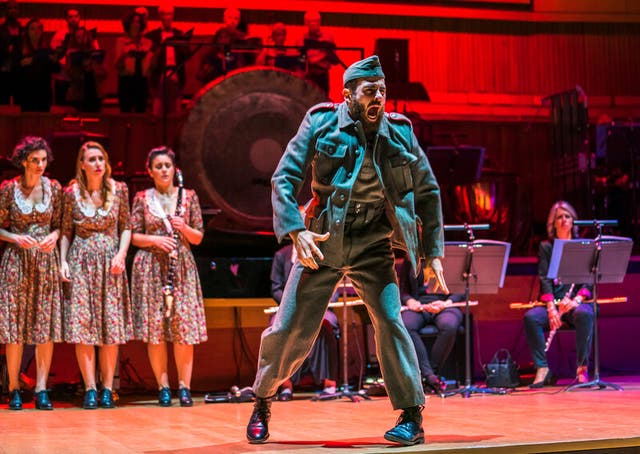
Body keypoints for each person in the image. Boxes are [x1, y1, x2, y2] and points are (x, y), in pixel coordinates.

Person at [246, 55, 448, 446]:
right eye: (370, 91)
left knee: (391, 321)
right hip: (322, 241)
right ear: (348, 95)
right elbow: (283, 178)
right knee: (289, 328)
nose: (378, 99)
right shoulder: (320, 122)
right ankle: (262, 398)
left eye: (383, 92)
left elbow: (428, 191)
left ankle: (411, 415)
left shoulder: (400, 132)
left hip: (373, 243)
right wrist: (295, 231)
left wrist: (433, 252)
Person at [130, 146, 207, 407]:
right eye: (158, 166)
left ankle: (184, 386)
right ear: (149, 171)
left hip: (181, 266)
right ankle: (163, 386)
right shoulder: (142, 198)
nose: (164, 170)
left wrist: (183, 227)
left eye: (168, 166)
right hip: (151, 267)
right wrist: (155, 240)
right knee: (156, 330)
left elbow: (198, 237)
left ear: (175, 169)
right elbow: (133, 235)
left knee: (183, 328)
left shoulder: (189, 196)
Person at [60, 141, 132, 409]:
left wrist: (121, 254)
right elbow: (67, 230)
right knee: (84, 328)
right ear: (82, 164)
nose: (98, 164)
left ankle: (107, 388)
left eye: (101, 158)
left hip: (110, 263)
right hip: (81, 262)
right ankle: (90, 387)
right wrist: (63, 261)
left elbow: (126, 226)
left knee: (109, 328)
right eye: (91, 159)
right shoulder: (71, 193)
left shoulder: (119, 190)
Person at [0, 136, 63, 410]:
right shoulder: (8, 189)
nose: (40, 165)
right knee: (15, 329)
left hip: (45, 264)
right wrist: (15, 238)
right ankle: (13, 386)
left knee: (43, 327)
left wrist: (54, 235)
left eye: (43, 160)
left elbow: (62, 225)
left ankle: (41, 388)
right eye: (34, 160)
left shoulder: (54, 188)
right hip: (16, 263)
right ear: (23, 161)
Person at [524, 200, 593, 388]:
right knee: (531, 318)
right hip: (554, 305)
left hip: (576, 303)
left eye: (567, 216)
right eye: (559, 217)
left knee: (585, 314)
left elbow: (589, 278)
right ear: (552, 223)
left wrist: (577, 299)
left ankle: (582, 368)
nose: (563, 220)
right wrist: (551, 309)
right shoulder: (547, 247)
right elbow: (544, 278)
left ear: (574, 221)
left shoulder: (582, 245)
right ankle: (542, 367)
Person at [269, 242, 338, 400]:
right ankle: (285, 385)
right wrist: (292, 304)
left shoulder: (325, 252)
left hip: (320, 308)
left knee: (327, 323)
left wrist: (319, 303)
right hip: (290, 308)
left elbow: (333, 286)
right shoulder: (282, 255)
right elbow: (276, 288)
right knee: (277, 325)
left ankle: (329, 384)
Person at [397, 253, 463, 395]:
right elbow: (403, 289)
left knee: (449, 325)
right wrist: (410, 301)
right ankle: (432, 378)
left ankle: (429, 375)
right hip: (419, 305)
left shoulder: (451, 256)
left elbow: (460, 288)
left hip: (445, 305)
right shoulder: (410, 258)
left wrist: (446, 303)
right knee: (406, 326)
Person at [49, 8, 99, 106]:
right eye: (70, 17)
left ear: (79, 17)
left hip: (84, 76)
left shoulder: (87, 34)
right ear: (66, 19)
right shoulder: (59, 35)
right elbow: (55, 55)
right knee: (63, 107)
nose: (73, 19)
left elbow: (96, 52)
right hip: (65, 76)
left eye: (76, 16)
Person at [146, 5, 189, 117]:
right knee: (157, 109)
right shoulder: (153, 35)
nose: (167, 17)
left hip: (176, 72)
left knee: (176, 109)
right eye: (164, 14)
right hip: (159, 73)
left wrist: (183, 44)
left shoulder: (179, 34)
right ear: (160, 16)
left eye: (169, 14)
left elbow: (186, 55)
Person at [14, 18, 60, 112]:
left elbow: (56, 69)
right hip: (25, 94)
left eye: (39, 28)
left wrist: (55, 61)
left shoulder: (47, 48)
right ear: (27, 32)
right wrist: (22, 64)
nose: (36, 31)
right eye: (32, 29)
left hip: (43, 94)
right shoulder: (20, 48)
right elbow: (13, 71)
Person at [114, 10, 152, 113]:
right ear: (128, 24)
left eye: (138, 22)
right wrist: (125, 55)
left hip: (141, 81)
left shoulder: (147, 42)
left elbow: (150, 64)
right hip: (126, 80)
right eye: (133, 22)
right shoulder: (121, 41)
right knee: (126, 111)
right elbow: (117, 65)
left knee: (141, 111)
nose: (136, 24)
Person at [197, 7, 246, 85]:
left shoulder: (242, 42)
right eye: (230, 17)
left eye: (236, 18)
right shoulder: (211, 53)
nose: (233, 21)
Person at [298, 10, 336, 95]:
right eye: (310, 22)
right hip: (308, 75)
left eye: (316, 21)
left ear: (319, 22)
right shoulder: (302, 39)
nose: (313, 24)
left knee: (323, 99)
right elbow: (301, 59)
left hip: (322, 74)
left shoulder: (327, 38)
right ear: (306, 23)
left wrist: (325, 54)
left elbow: (335, 60)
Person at [0, 0, 22, 105]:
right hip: (4, 71)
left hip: (20, 71)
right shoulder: (1, 30)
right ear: (5, 11)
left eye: (15, 8)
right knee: (3, 103)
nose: (13, 11)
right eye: (10, 8)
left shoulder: (23, 30)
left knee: (20, 102)